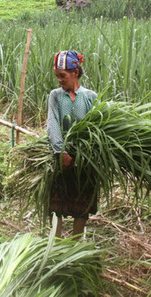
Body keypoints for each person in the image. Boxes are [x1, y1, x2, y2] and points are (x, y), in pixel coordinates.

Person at [47, 50, 98, 238]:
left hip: (85, 158)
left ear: (75, 73)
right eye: (57, 76)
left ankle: (75, 246)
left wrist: (86, 153)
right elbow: (52, 123)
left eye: (63, 76)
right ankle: (56, 245)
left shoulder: (90, 96)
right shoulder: (55, 96)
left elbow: (96, 127)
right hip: (60, 156)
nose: (59, 80)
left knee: (82, 204)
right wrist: (60, 151)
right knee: (56, 204)